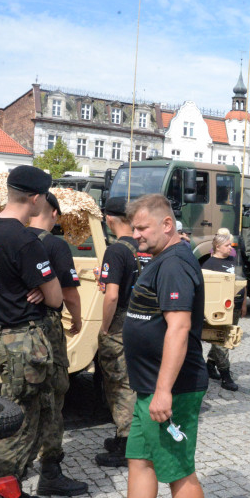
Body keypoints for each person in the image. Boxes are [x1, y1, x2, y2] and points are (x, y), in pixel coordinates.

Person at [87, 194, 209, 498]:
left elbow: (179, 327)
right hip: (146, 387)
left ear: (167, 225)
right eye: (134, 228)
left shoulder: (174, 263)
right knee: (139, 462)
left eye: (142, 228)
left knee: (177, 470)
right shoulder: (159, 259)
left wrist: (163, 391)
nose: (135, 235)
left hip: (171, 390)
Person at [0, 165, 63, 498]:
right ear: (38, 198)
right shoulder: (24, 240)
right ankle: (3, 496)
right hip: (23, 340)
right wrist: (43, 290)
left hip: (0, 333)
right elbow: (55, 298)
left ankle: (10, 489)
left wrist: (35, 288)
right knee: (22, 421)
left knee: (24, 413)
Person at [28, 192, 89, 497]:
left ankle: (11, 475)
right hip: (46, 331)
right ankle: (50, 471)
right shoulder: (54, 244)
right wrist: (76, 320)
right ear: (53, 213)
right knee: (52, 400)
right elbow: (71, 293)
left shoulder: (9, 238)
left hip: (13, 333)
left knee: (23, 401)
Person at [94, 196, 141, 467]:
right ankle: (128, 437)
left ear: (109, 218)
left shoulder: (116, 250)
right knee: (134, 379)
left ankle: (126, 444)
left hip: (121, 320)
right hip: (142, 320)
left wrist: (104, 327)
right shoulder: (144, 247)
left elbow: (111, 296)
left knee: (119, 383)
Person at [203, 228, 240, 391]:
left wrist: (244, 305)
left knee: (222, 340)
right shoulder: (209, 265)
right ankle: (226, 376)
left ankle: (210, 365)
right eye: (226, 245)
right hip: (219, 310)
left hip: (235, 306)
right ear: (217, 246)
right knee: (223, 341)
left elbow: (239, 282)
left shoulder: (232, 261)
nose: (230, 248)